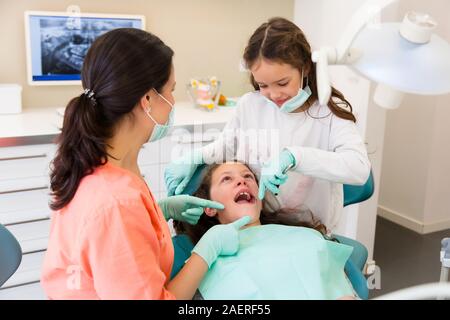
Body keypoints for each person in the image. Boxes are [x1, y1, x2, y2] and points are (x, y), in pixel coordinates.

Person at [41, 28, 250, 300]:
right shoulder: (116, 203)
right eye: (171, 91)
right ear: (148, 100)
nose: (174, 102)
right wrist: (205, 251)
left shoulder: (101, 160)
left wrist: (159, 212)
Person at [165, 17, 371, 232]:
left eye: (282, 83)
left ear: (305, 68)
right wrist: (193, 158)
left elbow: (358, 168)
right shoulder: (251, 105)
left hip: (313, 229)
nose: (273, 94)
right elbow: (226, 146)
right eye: (263, 85)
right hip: (262, 224)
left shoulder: (329, 111)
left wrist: (294, 157)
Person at [174, 161, 357, 300]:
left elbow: (340, 289)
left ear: (260, 199)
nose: (241, 181)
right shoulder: (205, 255)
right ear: (210, 207)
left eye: (248, 177)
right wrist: (208, 249)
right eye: (227, 179)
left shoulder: (307, 236)